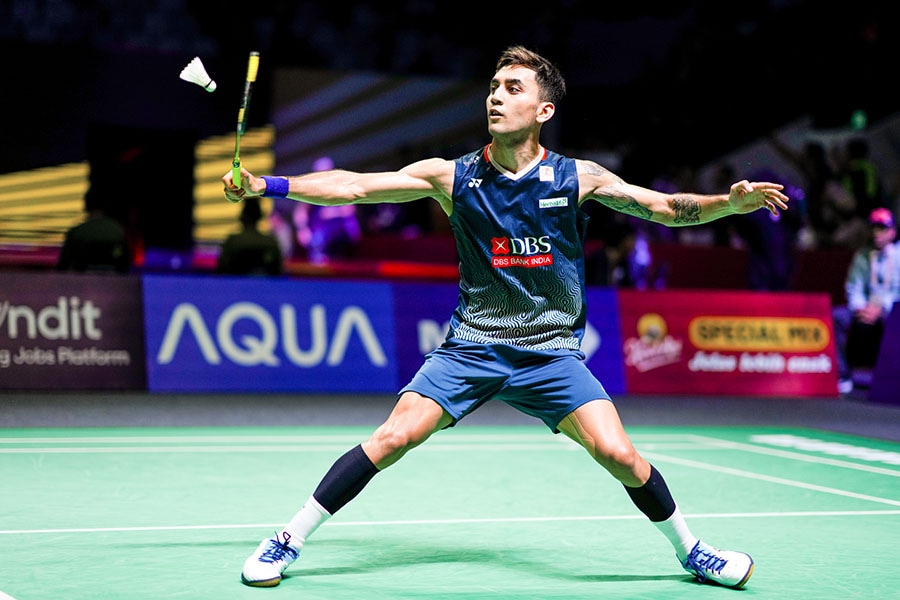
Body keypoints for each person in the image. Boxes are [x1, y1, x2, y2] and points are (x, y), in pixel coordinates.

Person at [223, 45, 789, 590]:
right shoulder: (453, 176)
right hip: (472, 346)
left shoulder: (577, 177)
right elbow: (354, 187)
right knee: (393, 437)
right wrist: (265, 185)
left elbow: (661, 207)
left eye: (512, 88)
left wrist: (726, 206)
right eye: (493, 87)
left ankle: (693, 552)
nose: (495, 97)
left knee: (619, 454)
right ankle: (287, 538)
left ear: (543, 110)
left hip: (550, 352)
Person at [832, 207, 900, 394]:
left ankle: (892, 379)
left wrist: (882, 308)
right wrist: (860, 308)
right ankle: (842, 375)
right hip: (864, 310)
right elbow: (854, 286)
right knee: (836, 317)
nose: (877, 234)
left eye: (882, 229)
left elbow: (897, 292)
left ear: (892, 232)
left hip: (892, 312)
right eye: (875, 229)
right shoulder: (863, 255)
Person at [56, 199, 130, 273]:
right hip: (114, 276)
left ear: (86, 207)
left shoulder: (77, 232)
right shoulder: (120, 231)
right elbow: (124, 259)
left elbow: (64, 263)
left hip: (82, 278)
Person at [216, 197, 283, 275]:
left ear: (242, 217)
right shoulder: (270, 242)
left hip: (235, 285)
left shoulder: (233, 241)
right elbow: (278, 272)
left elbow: (221, 270)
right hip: (265, 286)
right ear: (259, 217)